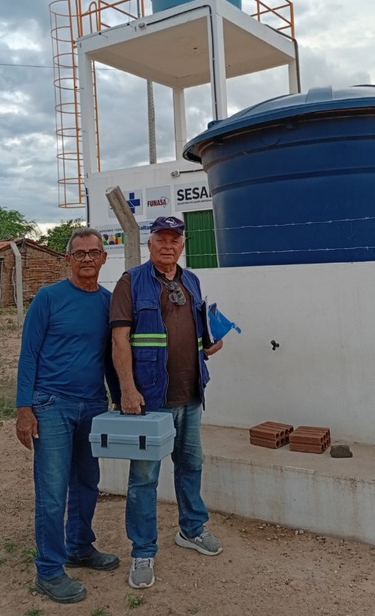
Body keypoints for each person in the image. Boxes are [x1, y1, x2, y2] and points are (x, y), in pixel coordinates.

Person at [110, 215, 224, 590]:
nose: (168, 245)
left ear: (182, 246)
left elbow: (199, 335)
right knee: (144, 478)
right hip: (150, 398)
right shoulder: (131, 281)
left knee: (191, 465)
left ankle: (191, 529)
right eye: (161, 238)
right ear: (150, 244)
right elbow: (120, 341)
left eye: (175, 239)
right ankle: (143, 550)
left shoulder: (191, 280)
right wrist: (127, 388)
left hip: (191, 394)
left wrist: (212, 342)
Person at [15, 227, 120, 604]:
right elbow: (28, 355)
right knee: (52, 491)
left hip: (93, 405)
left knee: (88, 483)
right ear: (68, 259)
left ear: (104, 258)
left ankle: (79, 546)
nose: (88, 258)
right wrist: (24, 409)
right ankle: (48, 570)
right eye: (80, 253)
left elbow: (110, 357)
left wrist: (122, 400)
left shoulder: (109, 303)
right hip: (51, 404)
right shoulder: (48, 298)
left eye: (94, 252)